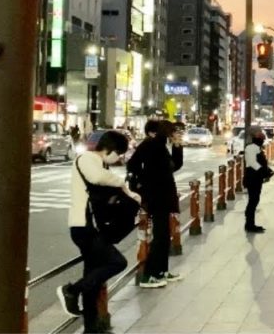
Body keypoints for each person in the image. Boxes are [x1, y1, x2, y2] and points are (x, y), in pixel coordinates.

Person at [57, 131, 140, 332]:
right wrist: (122, 184)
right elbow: (97, 178)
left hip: (92, 227)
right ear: (110, 149)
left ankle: (91, 326)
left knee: (93, 276)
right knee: (117, 262)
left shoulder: (98, 163)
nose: (119, 159)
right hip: (84, 226)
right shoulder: (86, 159)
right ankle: (71, 290)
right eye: (119, 154)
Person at [126, 119, 184, 288]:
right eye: (172, 131)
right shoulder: (150, 144)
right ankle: (149, 274)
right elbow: (132, 165)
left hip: (163, 195)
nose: (173, 134)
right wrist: (147, 182)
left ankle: (161, 271)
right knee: (160, 237)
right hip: (156, 196)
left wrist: (177, 146)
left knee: (164, 236)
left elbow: (174, 165)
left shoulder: (160, 147)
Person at [243, 126, 271, 233]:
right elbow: (252, 162)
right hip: (252, 176)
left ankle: (251, 223)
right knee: (253, 199)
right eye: (259, 133)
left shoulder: (257, 147)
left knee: (255, 199)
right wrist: (263, 171)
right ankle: (249, 223)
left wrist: (266, 170)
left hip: (257, 176)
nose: (261, 136)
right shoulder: (250, 147)